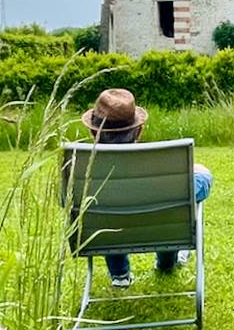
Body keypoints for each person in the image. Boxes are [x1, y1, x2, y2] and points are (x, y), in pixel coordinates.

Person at [82, 87, 210, 288]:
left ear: (92, 131)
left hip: (110, 233)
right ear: (139, 130)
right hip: (160, 225)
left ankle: (120, 275)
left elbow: (66, 200)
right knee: (193, 182)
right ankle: (167, 264)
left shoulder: (81, 172)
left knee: (107, 210)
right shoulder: (158, 165)